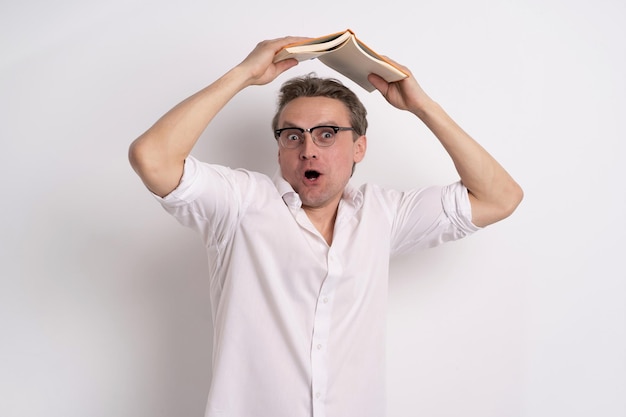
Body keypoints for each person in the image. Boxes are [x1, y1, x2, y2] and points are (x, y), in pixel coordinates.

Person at [128, 36, 523, 417]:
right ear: (279, 148)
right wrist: (244, 74)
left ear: (359, 148)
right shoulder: (240, 205)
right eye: (292, 135)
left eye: (327, 134)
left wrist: (423, 107)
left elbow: (499, 197)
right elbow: (152, 158)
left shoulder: (383, 215)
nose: (308, 149)